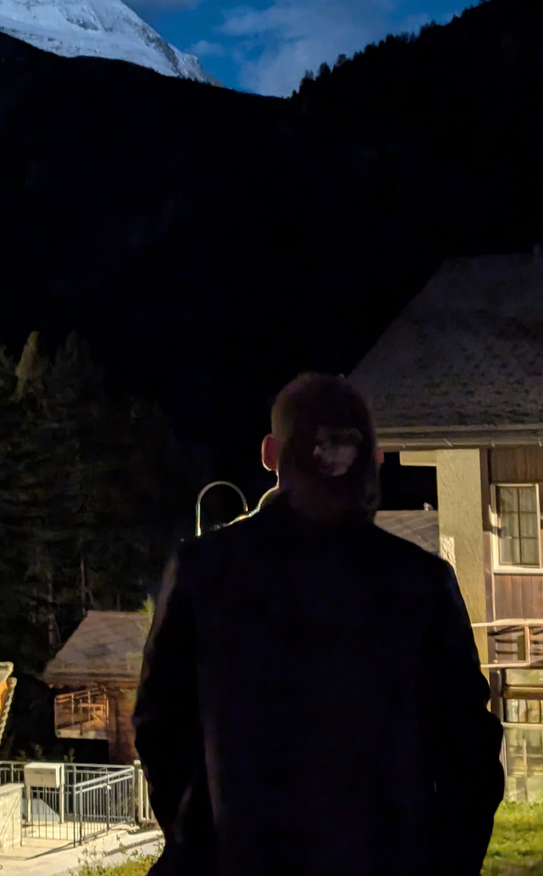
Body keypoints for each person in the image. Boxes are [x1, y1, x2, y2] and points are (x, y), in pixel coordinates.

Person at [133, 372, 504, 876]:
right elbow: (471, 752)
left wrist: (196, 838)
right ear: (374, 459)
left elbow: (160, 726)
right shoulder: (420, 583)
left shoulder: (205, 572)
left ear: (270, 454)